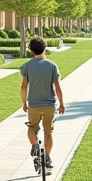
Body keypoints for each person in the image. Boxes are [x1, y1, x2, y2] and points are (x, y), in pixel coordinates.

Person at [21, 36, 65, 172]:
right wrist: (62, 103)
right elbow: (57, 87)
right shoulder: (51, 66)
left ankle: (34, 145)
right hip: (49, 105)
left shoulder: (26, 66)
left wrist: (24, 103)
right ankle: (47, 157)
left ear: (31, 50)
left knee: (32, 128)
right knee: (48, 132)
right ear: (45, 48)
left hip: (33, 105)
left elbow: (23, 87)